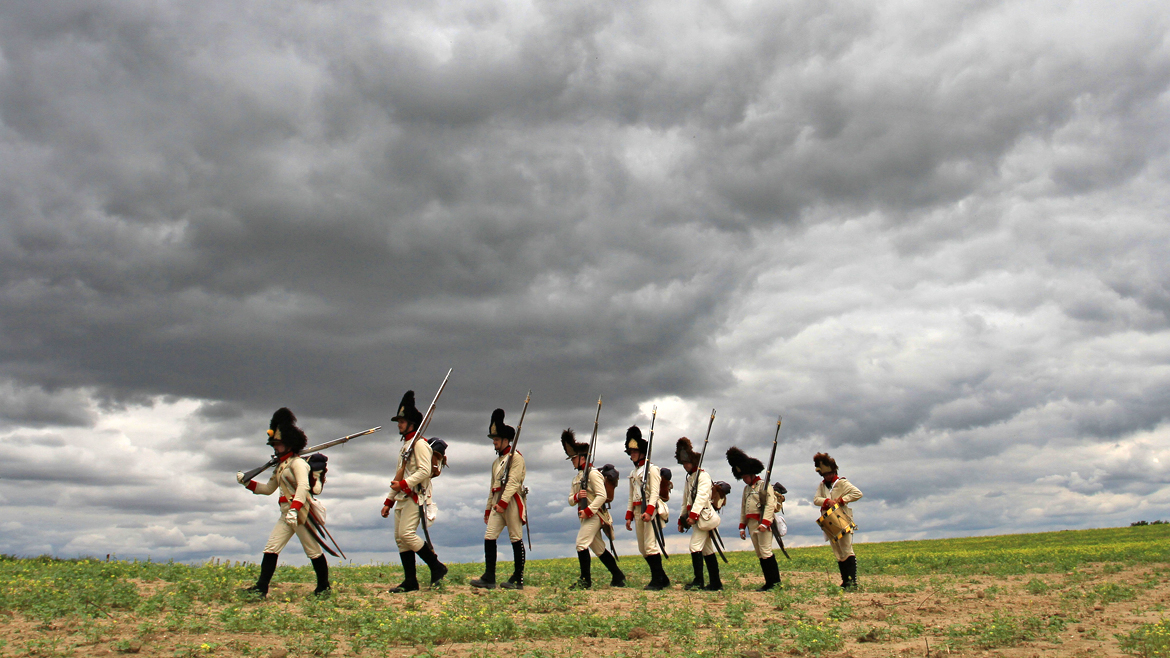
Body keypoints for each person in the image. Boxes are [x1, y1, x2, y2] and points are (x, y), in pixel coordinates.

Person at [236, 408, 330, 598]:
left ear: (288, 444)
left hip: (300, 512)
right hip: (286, 513)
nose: (274, 448)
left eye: (277, 444)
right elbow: (268, 489)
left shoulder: (298, 464)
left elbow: (303, 487)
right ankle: (261, 588)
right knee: (271, 548)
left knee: (313, 551)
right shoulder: (281, 466)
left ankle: (324, 587)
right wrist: (248, 483)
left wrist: (295, 510)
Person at [380, 391, 448, 592]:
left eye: (402, 421)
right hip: (402, 497)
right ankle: (411, 581)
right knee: (400, 539)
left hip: (414, 496)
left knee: (407, 534)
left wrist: (403, 486)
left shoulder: (419, 444)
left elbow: (425, 471)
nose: (399, 424)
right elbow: (398, 474)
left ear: (411, 423)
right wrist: (389, 501)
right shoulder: (406, 446)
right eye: (399, 421)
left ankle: (436, 567)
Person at [561, 429, 625, 589]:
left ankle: (585, 580)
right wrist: (577, 497)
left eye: (574, 458)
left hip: (595, 515)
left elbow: (601, 496)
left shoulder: (593, 474)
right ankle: (618, 575)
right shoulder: (577, 477)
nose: (572, 461)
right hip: (584, 516)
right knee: (598, 548)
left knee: (581, 544)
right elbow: (570, 500)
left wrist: (589, 511)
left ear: (582, 458)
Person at [471, 409, 528, 589]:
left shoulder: (516, 458)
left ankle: (518, 578)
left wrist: (503, 504)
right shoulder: (496, 463)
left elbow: (512, 483)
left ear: (505, 440)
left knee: (515, 538)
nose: (494, 443)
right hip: (498, 503)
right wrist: (489, 508)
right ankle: (489, 577)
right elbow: (492, 487)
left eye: (496, 440)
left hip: (511, 502)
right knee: (489, 537)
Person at [727, 446, 782, 590]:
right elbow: (743, 508)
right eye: (742, 477)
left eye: (746, 476)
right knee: (760, 553)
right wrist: (741, 526)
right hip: (751, 524)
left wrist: (765, 523)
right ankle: (768, 582)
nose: (744, 479)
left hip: (762, 522)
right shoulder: (746, 489)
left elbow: (770, 504)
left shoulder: (763, 485)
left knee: (765, 551)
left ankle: (775, 582)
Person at [624, 426, 669, 590]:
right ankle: (663, 578)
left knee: (650, 546)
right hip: (637, 511)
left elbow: (655, 493)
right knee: (643, 548)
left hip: (650, 510)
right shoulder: (634, 472)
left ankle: (657, 581)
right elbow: (631, 496)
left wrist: (649, 512)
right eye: (631, 451)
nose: (632, 454)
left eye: (635, 451)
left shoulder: (652, 469)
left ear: (642, 451)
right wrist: (629, 515)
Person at [676, 437, 721, 591]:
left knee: (694, 547)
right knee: (707, 550)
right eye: (683, 463)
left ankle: (699, 581)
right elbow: (685, 500)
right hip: (696, 519)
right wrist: (682, 518)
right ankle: (716, 583)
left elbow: (702, 497)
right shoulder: (690, 479)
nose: (685, 465)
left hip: (703, 517)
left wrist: (693, 515)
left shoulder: (703, 476)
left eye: (687, 462)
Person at [813, 452, 863, 588]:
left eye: (828, 474)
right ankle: (845, 581)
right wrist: (827, 501)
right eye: (824, 475)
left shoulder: (842, 483)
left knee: (846, 549)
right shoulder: (822, 486)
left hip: (842, 518)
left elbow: (857, 493)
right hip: (830, 520)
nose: (827, 477)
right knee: (838, 551)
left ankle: (852, 581)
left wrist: (842, 500)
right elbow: (816, 500)